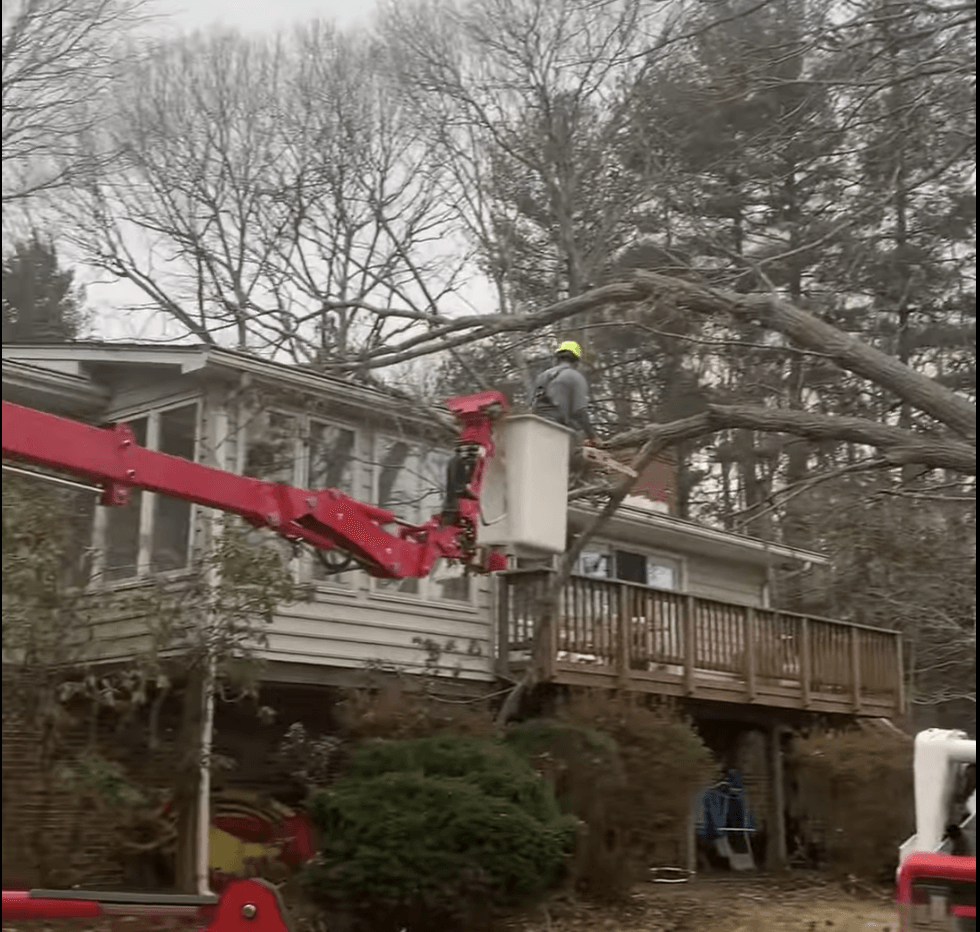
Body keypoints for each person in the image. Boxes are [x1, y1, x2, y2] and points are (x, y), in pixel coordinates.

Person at [528, 340, 597, 443]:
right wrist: (592, 436)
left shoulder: (542, 376)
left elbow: (532, 404)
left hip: (535, 427)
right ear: (576, 361)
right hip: (558, 431)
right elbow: (580, 412)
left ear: (557, 358)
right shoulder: (575, 377)